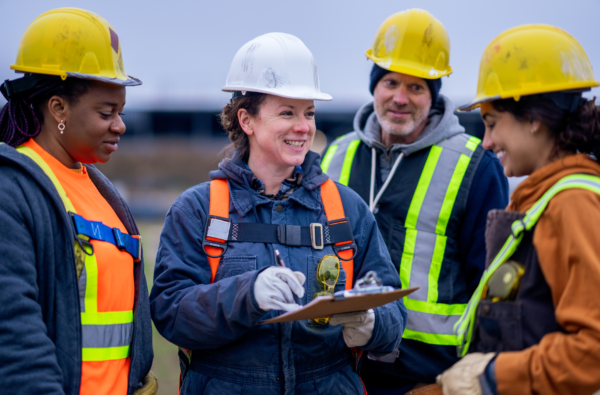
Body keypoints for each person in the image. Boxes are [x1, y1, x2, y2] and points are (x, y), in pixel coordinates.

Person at [150, 32, 407, 394]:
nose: (303, 127)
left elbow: (392, 308)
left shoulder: (346, 209)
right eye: (287, 112)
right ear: (247, 120)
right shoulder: (198, 210)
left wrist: (372, 325)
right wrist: (247, 294)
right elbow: (170, 312)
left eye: (309, 113)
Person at [320, 9, 508, 393]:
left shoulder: (476, 166)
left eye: (417, 87)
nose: (400, 98)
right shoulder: (335, 156)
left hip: (429, 375)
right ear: (374, 85)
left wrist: (473, 377)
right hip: (340, 368)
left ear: (434, 94)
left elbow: (492, 288)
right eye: (390, 82)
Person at [437, 24, 600, 395]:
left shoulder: (572, 204)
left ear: (534, 118)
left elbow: (593, 351)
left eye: (492, 124)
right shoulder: (541, 199)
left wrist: (493, 375)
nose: (487, 142)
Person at [0, 8, 155, 395]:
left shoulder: (103, 192)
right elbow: (14, 337)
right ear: (59, 109)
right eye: (106, 112)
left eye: (121, 112)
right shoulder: (12, 190)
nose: (119, 125)